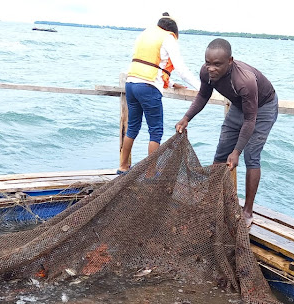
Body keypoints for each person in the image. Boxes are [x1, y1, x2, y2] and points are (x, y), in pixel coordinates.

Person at [175, 38, 278, 227]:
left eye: (217, 64)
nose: (211, 68)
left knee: (251, 156)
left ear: (230, 61)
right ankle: (211, 201)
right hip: (239, 106)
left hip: (262, 108)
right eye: (208, 63)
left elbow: (250, 120)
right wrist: (186, 117)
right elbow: (203, 95)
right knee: (221, 153)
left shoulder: (244, 80)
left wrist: (237, 151)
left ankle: (247, 211)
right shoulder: (206, 73)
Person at [118, 12, 200, 175]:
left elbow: (149, 63)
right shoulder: (168, 38)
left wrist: (169, 83)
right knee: (155, 131)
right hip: (148, 87)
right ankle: (150, 173)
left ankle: (123, 166)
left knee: (133, 127)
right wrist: (201, 87)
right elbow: (182, 70)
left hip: (131, 84)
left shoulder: (144, 35)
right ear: (173, 31)